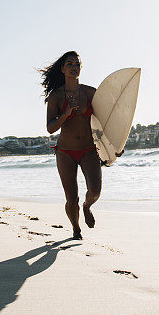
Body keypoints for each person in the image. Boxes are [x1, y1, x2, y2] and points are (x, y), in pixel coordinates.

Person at [40, 51, 101, 240]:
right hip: (65, 152)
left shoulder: (90, 92)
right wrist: (65, 114)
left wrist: (115, 144)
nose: (74, 67)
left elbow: (106, 121)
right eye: (69, 64)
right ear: (62, 69)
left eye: (77, 64)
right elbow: (50, 128)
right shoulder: (56, 96)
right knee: (71, 198)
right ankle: (76, 229)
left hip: (89, 149)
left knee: (95, 190)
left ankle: (87, 207)